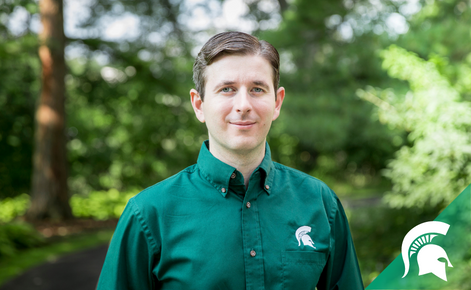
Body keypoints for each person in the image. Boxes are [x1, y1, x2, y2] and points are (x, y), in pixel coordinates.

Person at [97, 31, 364, 290]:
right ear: (199, 105)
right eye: (227, 89)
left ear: (277, 102)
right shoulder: (149, 213)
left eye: (257, 89)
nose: (243, 104)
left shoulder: (320, 202)